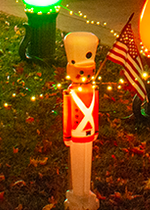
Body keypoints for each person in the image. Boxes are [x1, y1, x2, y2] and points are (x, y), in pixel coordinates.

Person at [63, 31, 100, 210]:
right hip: (76, 134)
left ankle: (85, 192)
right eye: (81, 72)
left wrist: (96, 131)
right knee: (77, 164)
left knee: (87, 163)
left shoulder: (93, 91)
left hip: (89, 134)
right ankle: (77, 193)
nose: (85, 75)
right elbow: (67, 115)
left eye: (89, 72)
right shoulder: (69, 93)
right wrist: (67, 135)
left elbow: (95, 109)